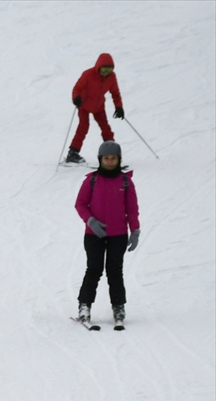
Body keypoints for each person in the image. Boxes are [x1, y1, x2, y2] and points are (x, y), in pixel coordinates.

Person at [74, 141, 140, 327]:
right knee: (94, 269)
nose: (110, 162)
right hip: (94, 234)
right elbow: (80, 204)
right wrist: (91, 221)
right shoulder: (92, 180)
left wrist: (135, 230)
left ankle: (118, 306)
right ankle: (84, 306)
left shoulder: (126, 181)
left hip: (118, 234)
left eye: (113, 158)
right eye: (106, 158)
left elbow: (132, 209)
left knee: (115, 271)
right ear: (100, 160)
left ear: (118, 160)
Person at [65, 53, 123, 164]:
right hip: (84, 106)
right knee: (83, 127)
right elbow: (77, 87)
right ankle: (72, 153)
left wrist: (119, 107)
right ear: (98, 66)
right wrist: (76, 98)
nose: (106, 72)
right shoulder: (88, 74)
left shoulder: (112, 77)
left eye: (109, 69)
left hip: (99, 106)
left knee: (106, 128)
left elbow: (115, 93)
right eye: (104, 69)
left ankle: (111, 153)